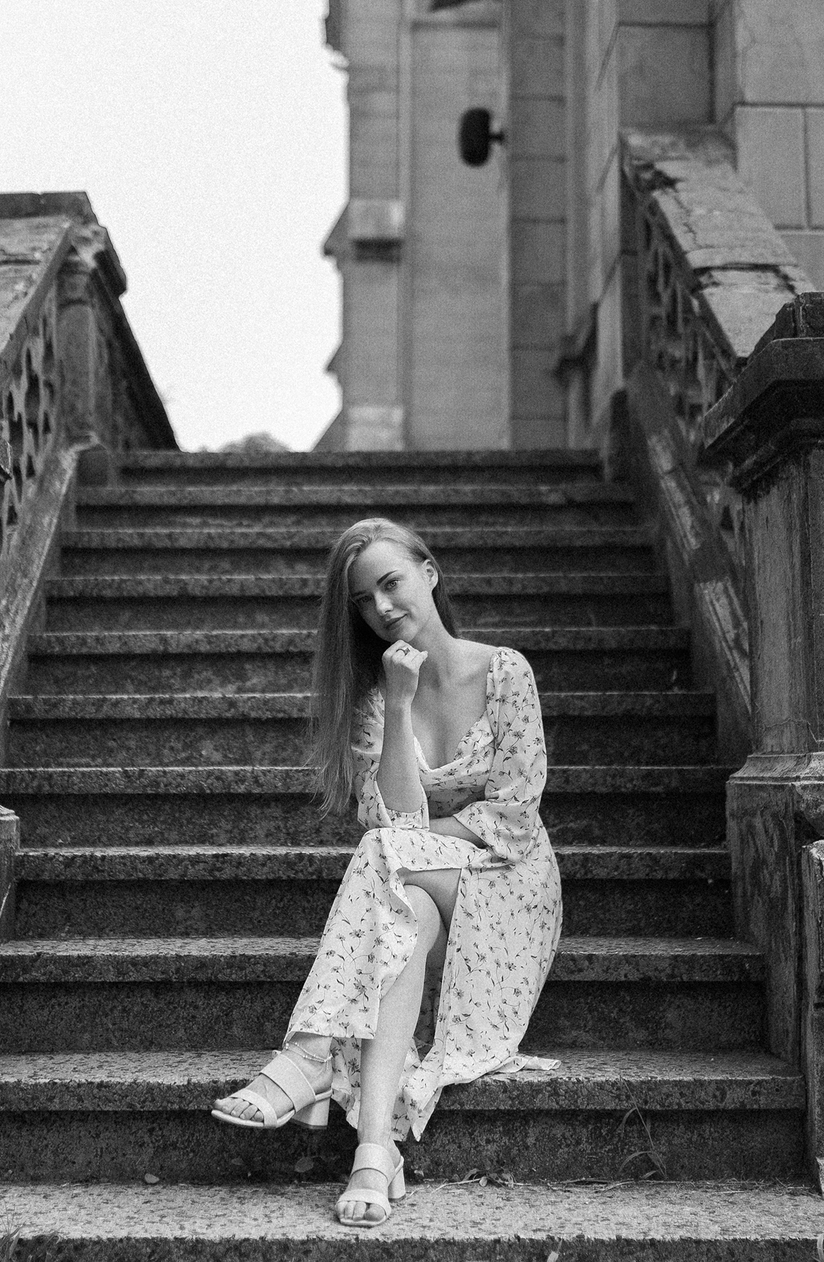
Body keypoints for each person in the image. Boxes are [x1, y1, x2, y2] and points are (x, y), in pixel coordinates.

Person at [211, 517, 563, 1227]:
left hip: (512, 889)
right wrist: (400, 703)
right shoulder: (377, 700)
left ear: (429, 573)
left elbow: (514, 813)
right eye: (365, 599)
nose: (383, 606)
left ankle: (309, 1054)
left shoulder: (504, 671)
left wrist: (412, 838)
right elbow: (392, 811)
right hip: (430, 892)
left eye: (392, 581)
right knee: (406, 909)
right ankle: (374, 1148)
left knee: (384, 855)